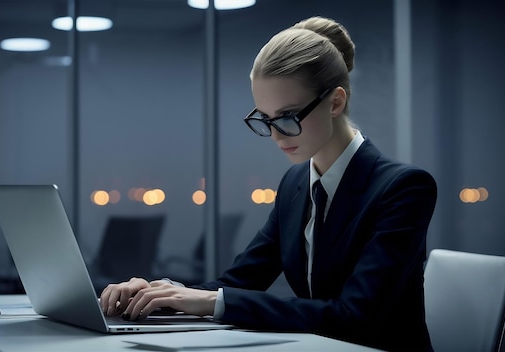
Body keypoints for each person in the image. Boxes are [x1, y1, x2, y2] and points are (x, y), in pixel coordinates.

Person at [100, 16, 436, 351]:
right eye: (265, 118)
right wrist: (161, 293)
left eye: (288, 117)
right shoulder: (295, 184)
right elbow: (238, 283)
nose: (275, 135)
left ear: (335, 102)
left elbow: (354, 316)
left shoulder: (402, 189)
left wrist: (210, 300)